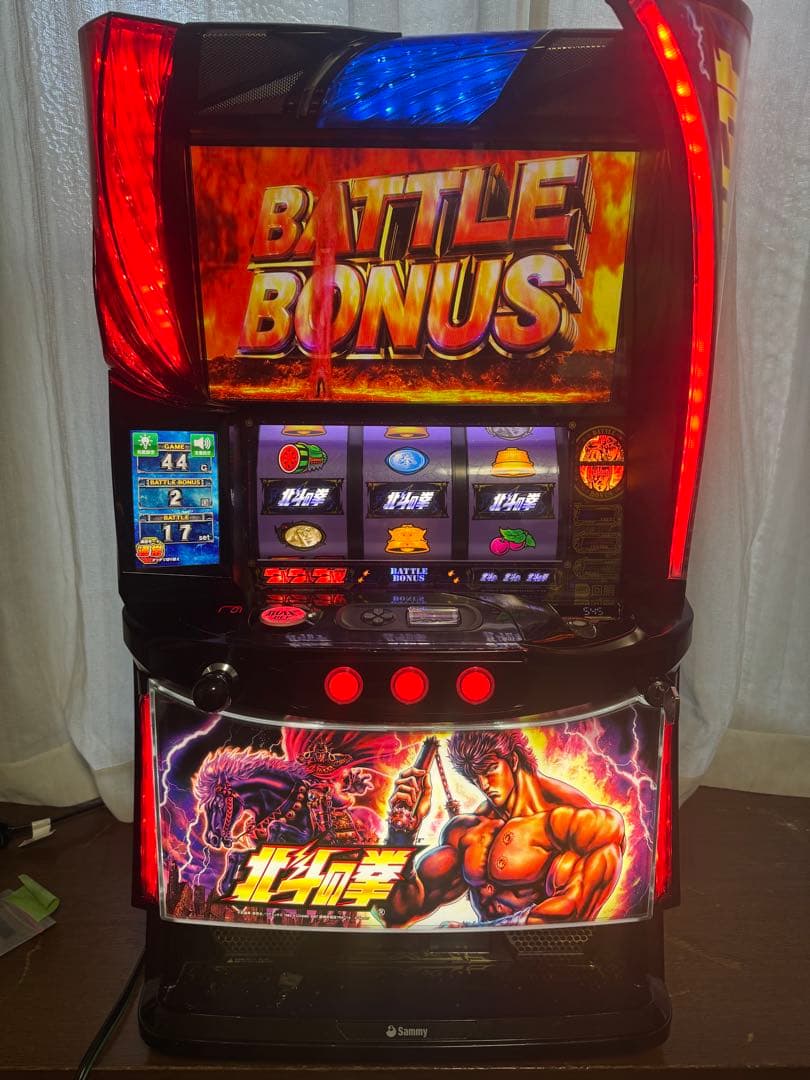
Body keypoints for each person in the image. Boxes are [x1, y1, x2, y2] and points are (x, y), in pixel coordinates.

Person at [384, 729, 624, 927]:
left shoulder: (577, 825)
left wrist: (473, 931)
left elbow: (571, 913)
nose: (483, 784)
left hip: (543, 960)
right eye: (474, 777)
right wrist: (401, 833)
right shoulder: (467, 832)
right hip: (474, 961)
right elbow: (397, 912)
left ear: (513, 760)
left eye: (489, 769)